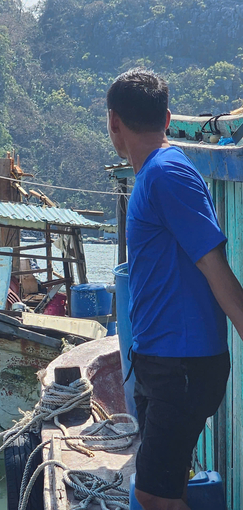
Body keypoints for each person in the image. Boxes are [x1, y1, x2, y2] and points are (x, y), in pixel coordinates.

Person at [106, 68, 243, 510]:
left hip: (180, 366)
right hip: (163, 363)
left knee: (152, 495)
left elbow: (214, 266)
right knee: (165, 485)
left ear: (113, 123)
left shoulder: (166, 174)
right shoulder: (157, 173)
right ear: (167, 118)